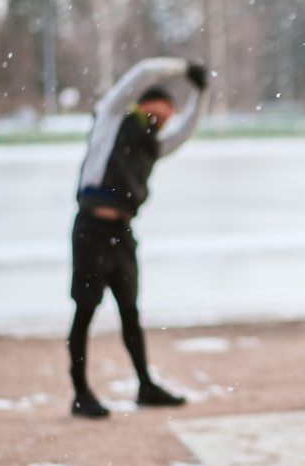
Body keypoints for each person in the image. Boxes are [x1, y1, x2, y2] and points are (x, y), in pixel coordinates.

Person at [68, 58, 209, 418]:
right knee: (86, 310)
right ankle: (81, 391)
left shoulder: (153, 145)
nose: (163, 121)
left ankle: (145, 386)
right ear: (144, 103)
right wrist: (182, 68)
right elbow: (142, 72)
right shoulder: (111, 118)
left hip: (122, 233)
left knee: (130, 312)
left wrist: (201, 91)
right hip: (91, 229)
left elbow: (188, 130)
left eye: (169, 118)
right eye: (160, 113)